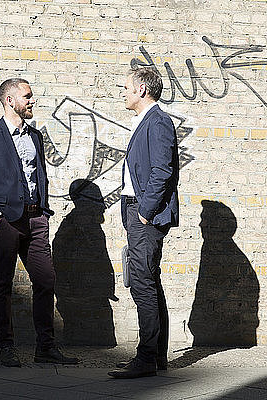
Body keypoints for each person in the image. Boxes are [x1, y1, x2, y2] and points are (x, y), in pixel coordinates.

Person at [0, 78, 78, 367]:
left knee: (45, 280)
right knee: (2, 283)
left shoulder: (35, 136)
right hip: (7, 222)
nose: (32, 101)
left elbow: (38, 174)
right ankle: (6, 347)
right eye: (27, 97)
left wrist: (43, 209)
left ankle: (45, 347)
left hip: (36, 219)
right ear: (10, 100)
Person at [108, 67, 179, 379]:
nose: (123, 93)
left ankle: (146, 358)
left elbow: (163, 170)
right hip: (135, 210)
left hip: (144, 213)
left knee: (141, 283)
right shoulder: (145, 121)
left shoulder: (158, 121)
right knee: (148, 280)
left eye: (126, 88)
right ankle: (156, 357)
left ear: (141, 90)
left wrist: (145, 211)